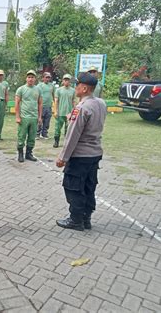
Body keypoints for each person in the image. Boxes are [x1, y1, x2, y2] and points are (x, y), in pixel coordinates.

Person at [56, 73, 107, 231]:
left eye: (77, 85)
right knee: (88, 186)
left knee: (74, 187)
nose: (75, 87)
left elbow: (72, 136)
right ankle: (86, 218)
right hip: (95, 152)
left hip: (81, 154)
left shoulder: (82, 108)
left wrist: (63, 157)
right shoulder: (101, 103)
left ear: (84, 88)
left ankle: (76, 220)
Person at [15, 70, 42, 162]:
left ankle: (29, 153)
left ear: (35, 79)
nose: (30, 79)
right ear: (26, 78)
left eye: (32, 77)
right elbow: (17, 103)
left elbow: (40, 104)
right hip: (24, 117)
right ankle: (20, 154)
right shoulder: (21, 89)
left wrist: (39, 117)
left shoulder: (38, 89)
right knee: (21, 136)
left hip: (34, 117)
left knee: (32, 137)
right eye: (29, 77)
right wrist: (18, 117)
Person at [53, 74, 75, 148]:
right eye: (65, 80)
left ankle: (66, 143)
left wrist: (74, 111)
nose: (66, 81)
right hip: (60, 113)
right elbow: (56, 101)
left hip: (69, 113)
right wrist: (55, 111)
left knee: (68, 129)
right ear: (62, 81)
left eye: (68, 80)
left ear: (70, 81)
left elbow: (73, 101)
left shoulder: (73, 90)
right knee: (57, 128)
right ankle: (56, 141)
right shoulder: (58, 90)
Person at [37, 72, 55, 139]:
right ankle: (37, 134)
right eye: (46, 77)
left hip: (49, 106)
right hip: (41, 106)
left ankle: (44, 134)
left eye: (49, 77)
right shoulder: (39, 86)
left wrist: (54, 104)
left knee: (47, 121)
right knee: (40, 120)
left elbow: (53, 95)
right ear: (43, 78)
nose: (48, 79)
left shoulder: (52, 86)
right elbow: (37, 95)